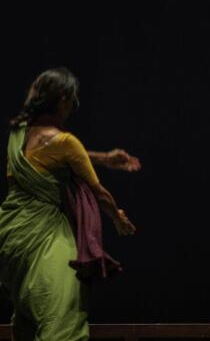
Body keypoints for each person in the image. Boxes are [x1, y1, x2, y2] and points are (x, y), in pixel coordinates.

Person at [0, 67, 138, 341]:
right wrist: (117, 217)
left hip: (11, 238)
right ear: (63, 100)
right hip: (44, 237)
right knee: (62, 313)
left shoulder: (18, 136)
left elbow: (54, 154)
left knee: (29, 313)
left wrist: (103, 158)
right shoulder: (64, 141)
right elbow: (99, 193)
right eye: (71, 102)